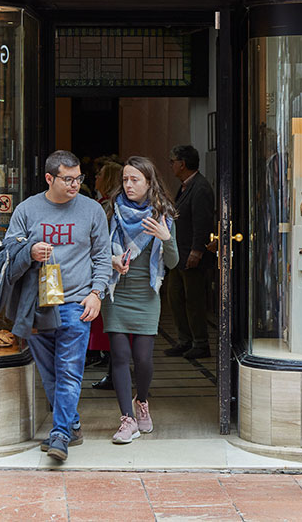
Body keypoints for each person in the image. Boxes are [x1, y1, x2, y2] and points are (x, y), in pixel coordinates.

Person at [4, 150, 111, 461]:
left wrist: (96, 293)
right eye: (68, 179)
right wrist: (30, 251)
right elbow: (8, 253)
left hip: (77, 302)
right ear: (49, 178)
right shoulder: (27, 210)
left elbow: (102, 257)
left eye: (78, 178)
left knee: (69, 371)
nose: (75, 184)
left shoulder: (92, 210)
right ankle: (72, 424)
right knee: (49, 371)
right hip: (37, 304)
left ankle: (60, 433)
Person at [102, 156, 179, 443]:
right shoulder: (111, 211)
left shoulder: (162, 215)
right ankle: (127, 419)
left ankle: (142, 400)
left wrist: (166, 238)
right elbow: (97, 253)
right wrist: (112, 260)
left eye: (135, 179)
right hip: (117, 294)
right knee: (120, 357)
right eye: (125, 179)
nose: (128, 185)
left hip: (146, 296)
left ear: (149, 183)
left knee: (143, 359)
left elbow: (172, 262)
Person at [165, 144, 215, 360]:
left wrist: (197, 250)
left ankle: (200, 343)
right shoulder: (186, 186)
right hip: (179, 253)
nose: (171, 165)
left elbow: (202, 222)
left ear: (182, 164)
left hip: (191, 254)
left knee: (194, 300)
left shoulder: (200, 188)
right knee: (175, 297)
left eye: (173, 161)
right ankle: (184, 340)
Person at [89, 159, 124, 391]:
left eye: (100, 174)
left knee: (112, 325)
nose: (96, 178)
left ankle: (115, 373)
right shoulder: (103, 204)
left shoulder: (109, 207)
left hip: (111, 273)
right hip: (106, 271)